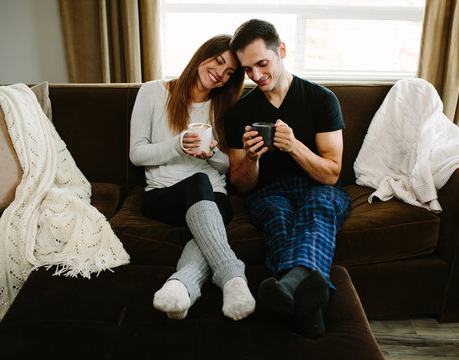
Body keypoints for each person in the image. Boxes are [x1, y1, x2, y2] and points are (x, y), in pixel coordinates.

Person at [225, 19, 351, 338]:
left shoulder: (322, 99)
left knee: (318, 209)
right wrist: (253, 158)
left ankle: (287, 286)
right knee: (277, 217)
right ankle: (308, 301)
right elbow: (240, 186)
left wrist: (294, 147)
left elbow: (332, 172)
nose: (256, 76)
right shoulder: (240, 112)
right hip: (269, 191)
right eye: (248, 69)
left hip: (318, 187)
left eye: (262, 64)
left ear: (281, 51)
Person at [129, 34, 256, 321]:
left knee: (204, 209)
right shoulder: (152, 93)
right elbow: (136, 154)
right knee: (198, 184)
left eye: (229, 73)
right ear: (202, 55)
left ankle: (180, 288)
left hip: (214, 197)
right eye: (218, 62)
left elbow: (227, 168)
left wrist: (212, 155)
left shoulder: (223, 106)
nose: (220, 75)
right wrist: (177, 145)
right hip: (163, 194)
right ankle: (233, 276)